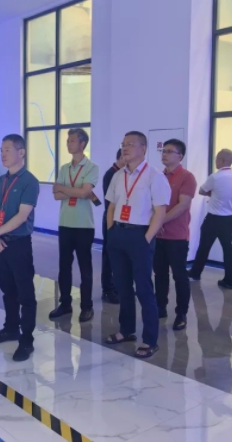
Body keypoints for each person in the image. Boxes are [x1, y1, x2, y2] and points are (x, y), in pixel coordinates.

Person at [104, 131, 170, 359]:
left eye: (131, 144)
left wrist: (146, 239)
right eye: (123, 144)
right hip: (118, 234)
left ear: (143, 149)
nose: (125, 148)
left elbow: (160, 212)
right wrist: (111, 232)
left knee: (143, 289)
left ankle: (150, 340)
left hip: (140, 236)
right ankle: (126, 330)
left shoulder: (155, 176)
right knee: (122, 286)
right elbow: (111, 206)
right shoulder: (118, 175)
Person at [0, 134, 40, 362]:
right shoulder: (1, 181)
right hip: (0, 243)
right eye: (1, 150)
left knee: (25, 294)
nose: (3, 154)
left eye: (7, 149)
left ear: (21, 152)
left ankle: (26, 340)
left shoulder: (29, 181)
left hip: (19, 244)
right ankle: (11, 328)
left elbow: (22, 216)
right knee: (8, 290)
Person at [50, 128, 100, 322]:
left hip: (84, 225)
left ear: (82, 144)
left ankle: (87, 306)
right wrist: (75, 190)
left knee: (85, 267)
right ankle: (65, 304)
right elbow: (56, 195)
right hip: (65, 224)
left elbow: (85, 192)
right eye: (68, 141)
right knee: (64, 266)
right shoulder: (64, 168)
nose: (68, 144)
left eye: (72, 140)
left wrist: (64, 188)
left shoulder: (91, 167)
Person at [154, 139, 196, 330]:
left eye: (169, 151)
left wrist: (160, 221)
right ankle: (160, 307)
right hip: (158, 235)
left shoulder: (187, 177)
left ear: (180, 156)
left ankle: (181, 314)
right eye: (163, 151)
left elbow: (182, 205)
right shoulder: (158, 176)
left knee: (179, 276)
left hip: (177, 237)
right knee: (160, 274)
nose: (164, 154)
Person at [188, 149, 232, 289]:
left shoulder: (215, 177)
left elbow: (201, 191)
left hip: (214, 219)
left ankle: (195, 273)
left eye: (217, 159)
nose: (215, 161)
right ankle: (230, 280)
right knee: (228, 249)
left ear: (222, 161)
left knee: (204, 247)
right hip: (229, 219)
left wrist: (212, 193)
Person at [100, 149, 124, 304]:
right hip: (111, 220)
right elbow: (111, 203)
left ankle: (118, 287)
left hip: (121, 220)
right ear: (121, 157)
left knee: (120, 256)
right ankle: (108, 289)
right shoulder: (111, 174)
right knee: (109, 256)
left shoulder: (123, 174)